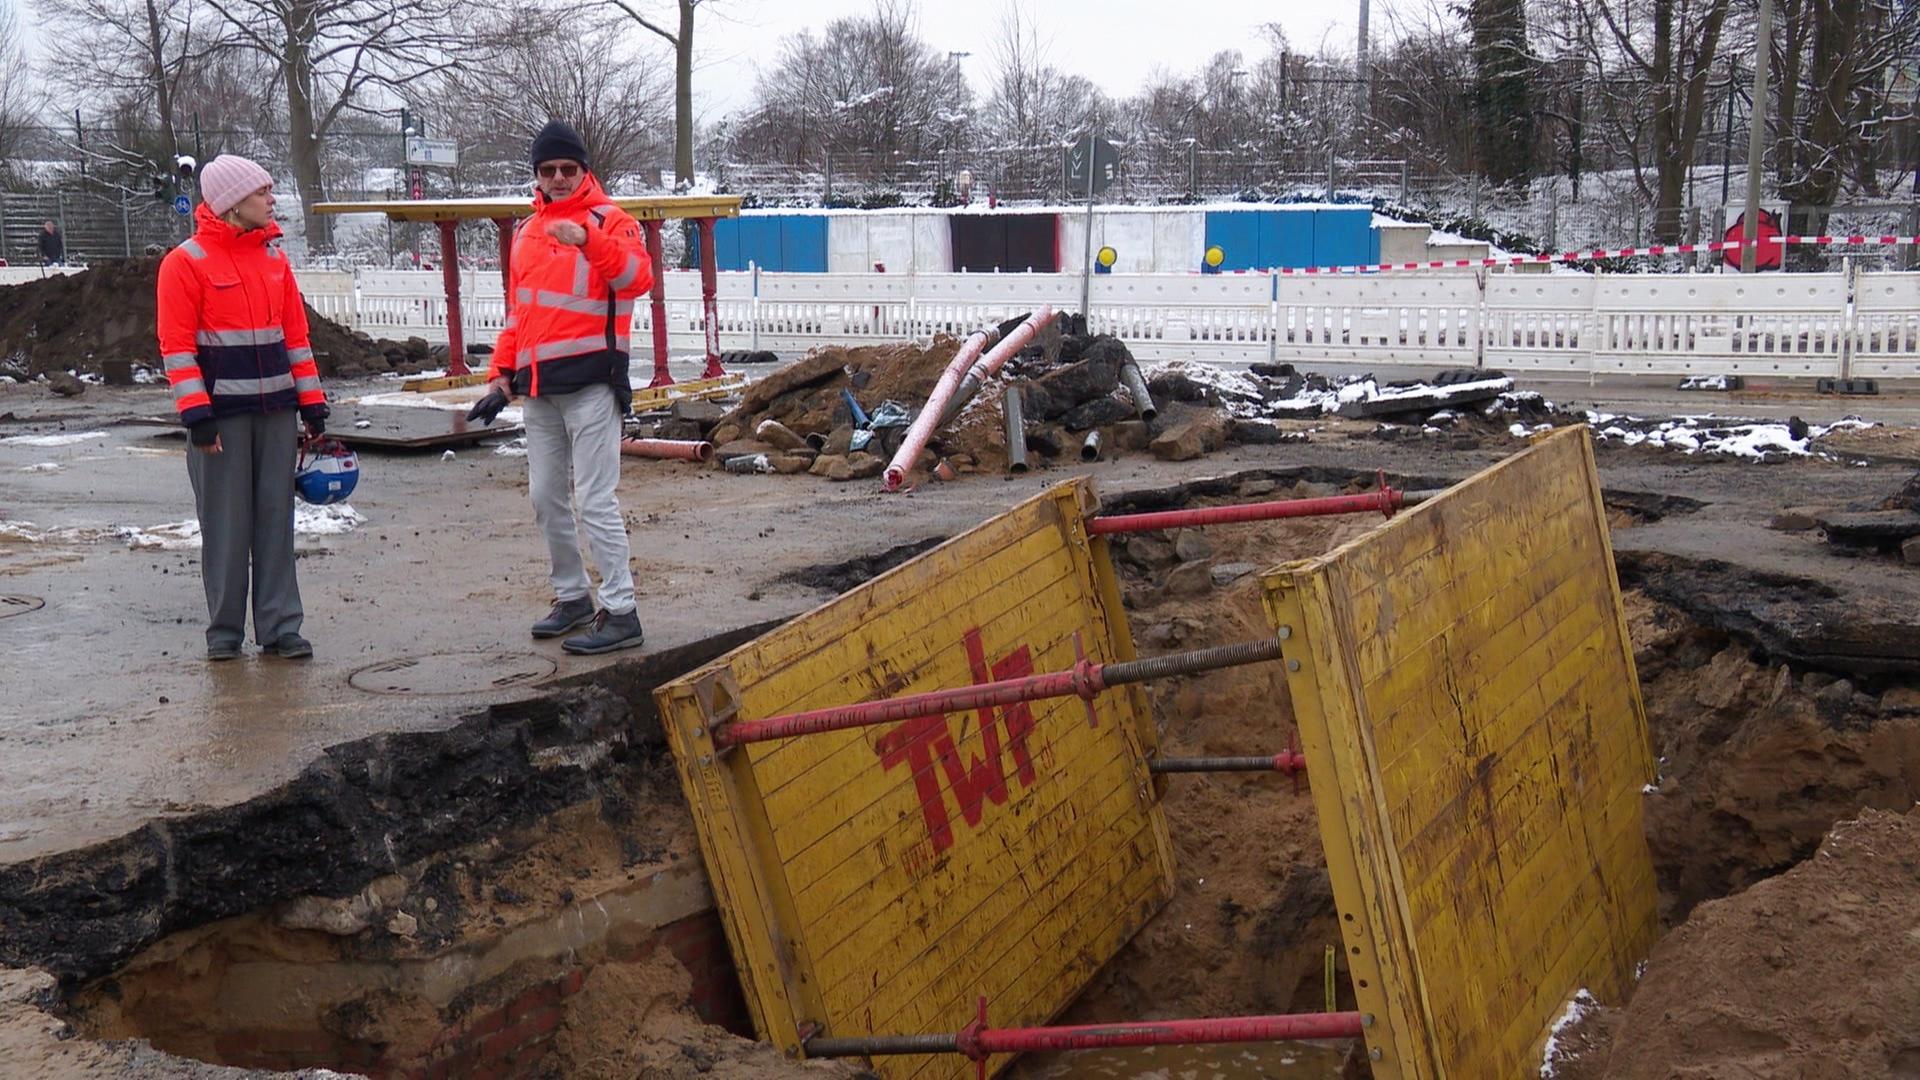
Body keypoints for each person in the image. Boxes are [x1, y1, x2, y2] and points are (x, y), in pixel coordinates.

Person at [486, 120, 653, 655]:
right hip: (538, 388)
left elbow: (636, 277)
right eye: (548, 169)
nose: (558, 178)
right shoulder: (527, 232)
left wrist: (588, 239)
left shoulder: (613, 221)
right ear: (536, 173)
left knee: (595, 499)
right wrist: (499, 375)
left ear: (584, 170)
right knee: (545, 498)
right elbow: (521, 313)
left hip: (592, 384)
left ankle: (621, 611)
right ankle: (572, 597)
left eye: (568, 169)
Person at [155, 154, 329, 661]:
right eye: (262, 192)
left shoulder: (274, 258)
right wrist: (197, 415)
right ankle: (224, 632)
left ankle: (280, 628)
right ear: (233, 202)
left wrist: (312, 404)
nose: (271, 200)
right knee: (226, 524)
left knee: (276, 520)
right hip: (221, 420)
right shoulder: (184, 262)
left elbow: (296, 338)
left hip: (276, 412)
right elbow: (177, 347)